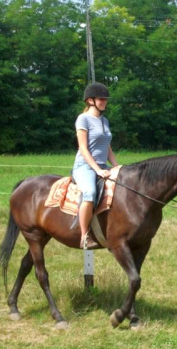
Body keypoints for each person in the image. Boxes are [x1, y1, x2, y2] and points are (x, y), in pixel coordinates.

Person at [72, 82, 118, 249]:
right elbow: (83, 148)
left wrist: (116, 166)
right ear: (90, 100)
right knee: (90, 192)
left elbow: (108, 147)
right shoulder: (83, 119)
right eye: (101, 99)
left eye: (105, 99)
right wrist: (98, 170)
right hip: (84, 166)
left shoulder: (104, 121)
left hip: (102, 165)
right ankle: (84, 236)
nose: (104, 102)